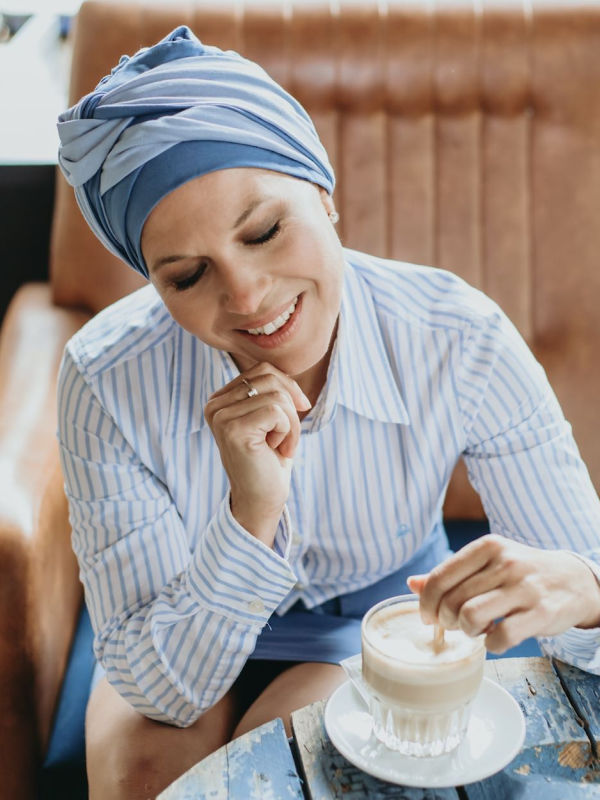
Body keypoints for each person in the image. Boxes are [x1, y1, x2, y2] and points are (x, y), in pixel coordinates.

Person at [57, 26, 600, 800]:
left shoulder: (461, 339)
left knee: (305, 766)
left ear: (324, 193)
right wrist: (250, 514)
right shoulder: (103, 379)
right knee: (144, 780)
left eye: (266, 230)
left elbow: (587, 600)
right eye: (187, 276)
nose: (246, 298)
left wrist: (583, 587)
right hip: (176, 620)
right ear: (152, 282)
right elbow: (161, 689)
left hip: (377, 618)